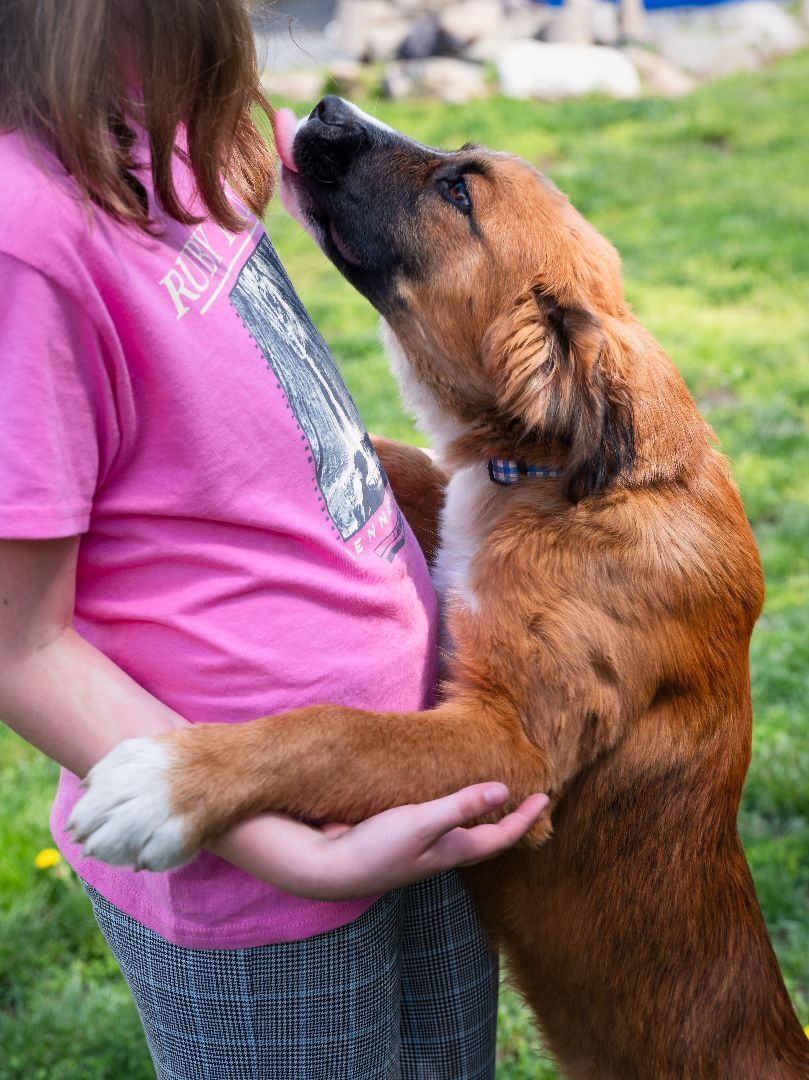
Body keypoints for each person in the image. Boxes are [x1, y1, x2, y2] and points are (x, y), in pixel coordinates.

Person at [0, 2, 548, 1077]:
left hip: (408, 776)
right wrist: (290, 852)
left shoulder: (165, 116)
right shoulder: (24, 236)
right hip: (253, 872)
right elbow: (19, 644)